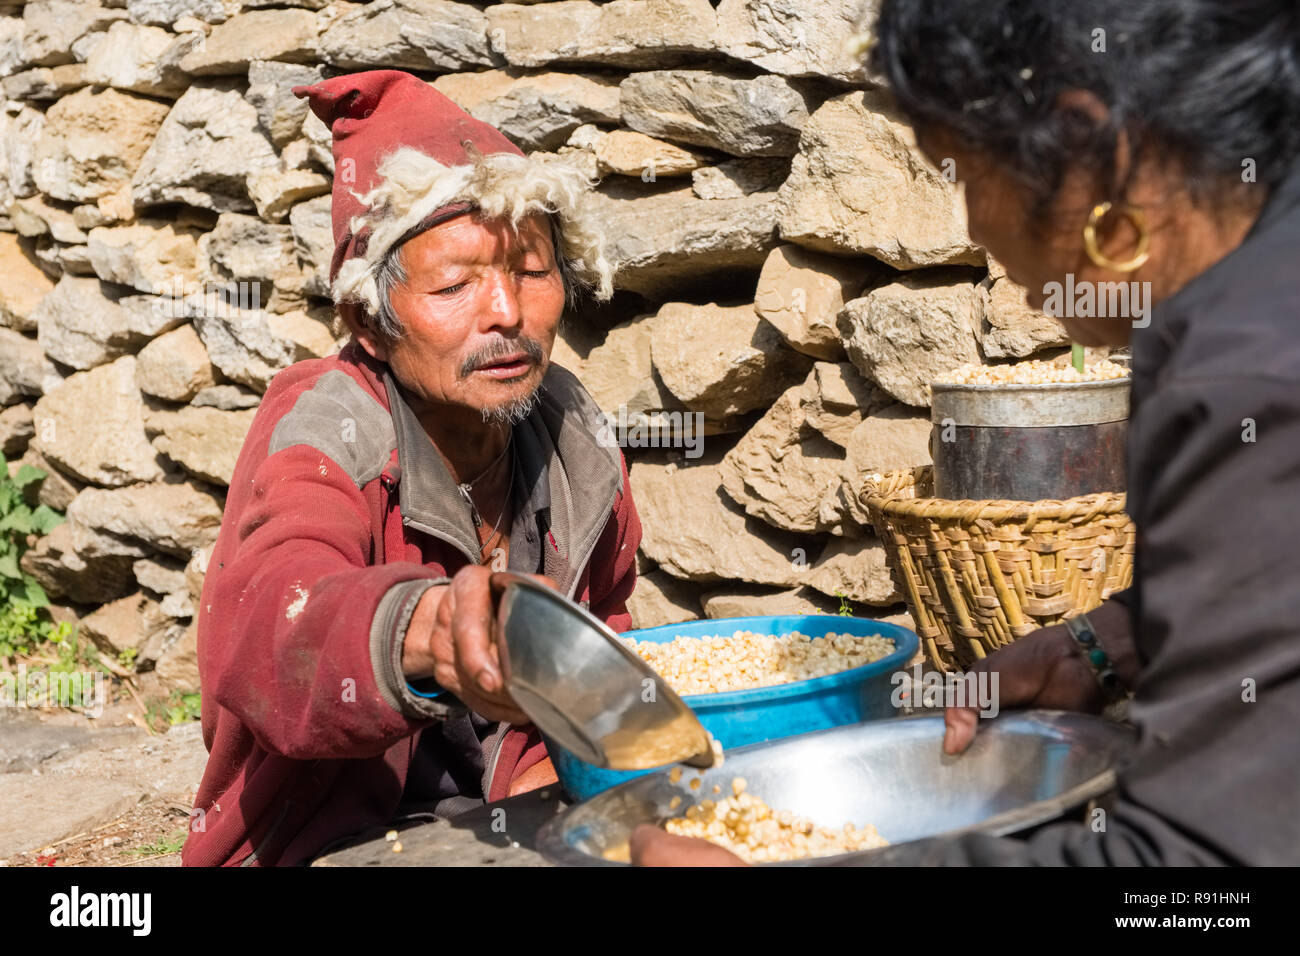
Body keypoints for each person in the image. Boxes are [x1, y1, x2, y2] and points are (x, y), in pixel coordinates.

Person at [633, 0, 1300, 866]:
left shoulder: (1244, 382)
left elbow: (1202, 883)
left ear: (1084, 148)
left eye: (958, 171)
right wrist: (1111, 639)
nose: (975, 227)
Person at [181, 70, 641, 867]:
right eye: (456, 283)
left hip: (525, 808)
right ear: (369, 320)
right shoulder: (328, 425)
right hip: (340, 838)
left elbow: (604, 621)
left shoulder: (574, 433)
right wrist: (426, 633)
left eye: (532, 273)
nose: (506, 312)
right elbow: (272, 625)